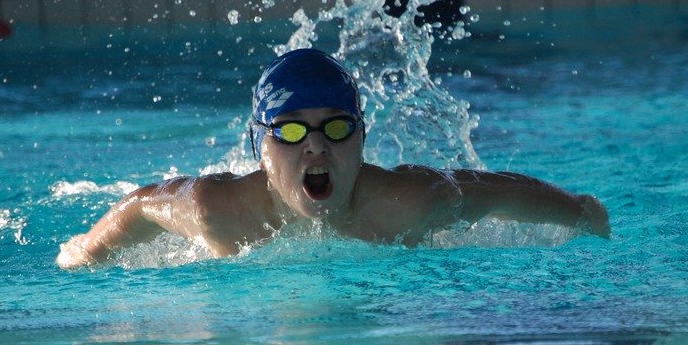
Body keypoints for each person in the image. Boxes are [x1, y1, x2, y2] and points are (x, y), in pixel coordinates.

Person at [56, 49, 610, 269]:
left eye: (337, 128)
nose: (316, 146)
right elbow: (141, 206)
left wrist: (581, 212)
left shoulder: (408, 203)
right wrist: (86, 250)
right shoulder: (218, 210)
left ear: (362, 139)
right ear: (259, 147)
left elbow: (498, 190)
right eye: (292, 130)